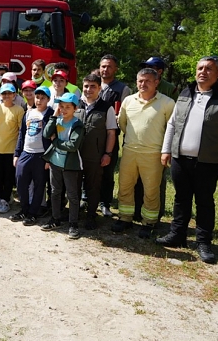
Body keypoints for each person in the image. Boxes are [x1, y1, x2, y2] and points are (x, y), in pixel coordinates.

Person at [157, 56, 218, 264]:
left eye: (209, 69)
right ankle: (177, 235)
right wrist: (166, 149)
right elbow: (172, 124)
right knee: (181, 198)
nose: (203, 72)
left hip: (208, 160)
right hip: (180, 158)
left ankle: (203, 242)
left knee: (204, 201)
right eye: (200, 68)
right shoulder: (186, 93)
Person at [112, 68, 174, 238]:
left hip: (153, 154)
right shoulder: (128, 101)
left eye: (147, 81)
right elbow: (123, 124)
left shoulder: (167, 103)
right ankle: (125, 218)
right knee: (125, 185)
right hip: (130, 151)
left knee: (151, 190)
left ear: (156, 82)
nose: (143, 84)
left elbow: (171, 128)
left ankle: (149, 222)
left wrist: (165, 150)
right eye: (140, 80)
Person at [74, 74, 117, 230]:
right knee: (75, 185)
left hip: (95, 155)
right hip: (75, 155)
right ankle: (74, 214)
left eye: (93, 86)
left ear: (99, 88)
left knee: (93, 187)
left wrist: (108, 154)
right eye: (86, 86)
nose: (88, 89)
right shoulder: (75, 105)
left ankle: (91, 215)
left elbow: (111, 133)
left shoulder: (107, 108)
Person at [41, 92, 85, 239]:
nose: (64, 110)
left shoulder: (77, 125)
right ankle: (55, 219)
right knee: (54, 192)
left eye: (67, 107)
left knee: (72, 195)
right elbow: (47, 133)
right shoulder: (57, 120)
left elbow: (72, 146)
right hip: (55, 163)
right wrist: (54, 116)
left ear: (75, 108)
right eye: (61, 106)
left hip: (71, 165)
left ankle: (73, 224)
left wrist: (56, 142)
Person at [12, 86, 53, 225]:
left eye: (43, 98)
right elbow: (21, 135)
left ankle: (33, 213)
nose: (39, 100)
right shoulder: (28, 113)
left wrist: (48, 158)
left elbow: (54, 138)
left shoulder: (51, 114)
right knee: (21, 181)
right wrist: (17, 154)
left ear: (48, 99)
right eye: (37, 97)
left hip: (41, 155)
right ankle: (24, 209)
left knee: (39, 185)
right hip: (26, 153)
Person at [98, 54, 131, 217]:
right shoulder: (92, 84)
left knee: (107, 171)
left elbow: (125, 115)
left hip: (111, 137)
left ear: (115, 69)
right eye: (103, 66)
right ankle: (86, 198)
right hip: (91, 136)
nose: (105, 69)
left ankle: (105, 203)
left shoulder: (123, 89)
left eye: (109, 66)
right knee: (88, 169)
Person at [0, 83, 25, 214]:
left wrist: (18, 151)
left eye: (9, 93)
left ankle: (5, 200)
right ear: (0, 95)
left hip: (11, 149)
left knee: (8, 177)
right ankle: (0, 197)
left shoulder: (19, 110)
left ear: (14, 95)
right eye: (4, 93)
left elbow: (21, 132)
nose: (6, 96)